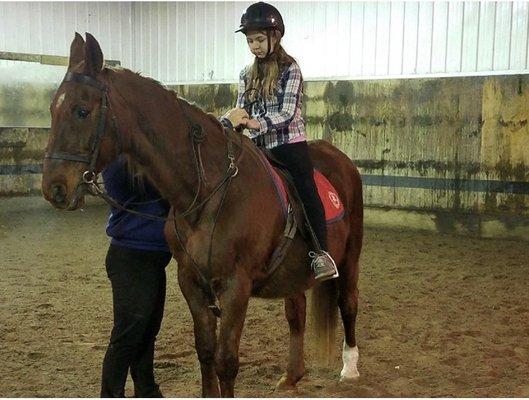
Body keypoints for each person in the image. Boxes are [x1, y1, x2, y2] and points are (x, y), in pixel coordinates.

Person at [220, 1, 338, 281]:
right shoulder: (245, 74)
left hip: (288, 144)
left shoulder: (290, 69)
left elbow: (287, 113)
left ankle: (321, 254)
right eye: (250, 41)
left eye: (259, 40)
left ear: (276, 37)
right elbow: (241, 106)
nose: (255, 46)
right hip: (258, 146)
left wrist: (255, 123)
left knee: (305, 188)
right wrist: (231, 119)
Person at [100, 158, 172, 397]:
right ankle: (111, 394)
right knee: (127, 335)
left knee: (147, 330)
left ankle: (146, 389)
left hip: (152, 258)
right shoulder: (120, 166)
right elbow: (165, 177)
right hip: (132, 257)